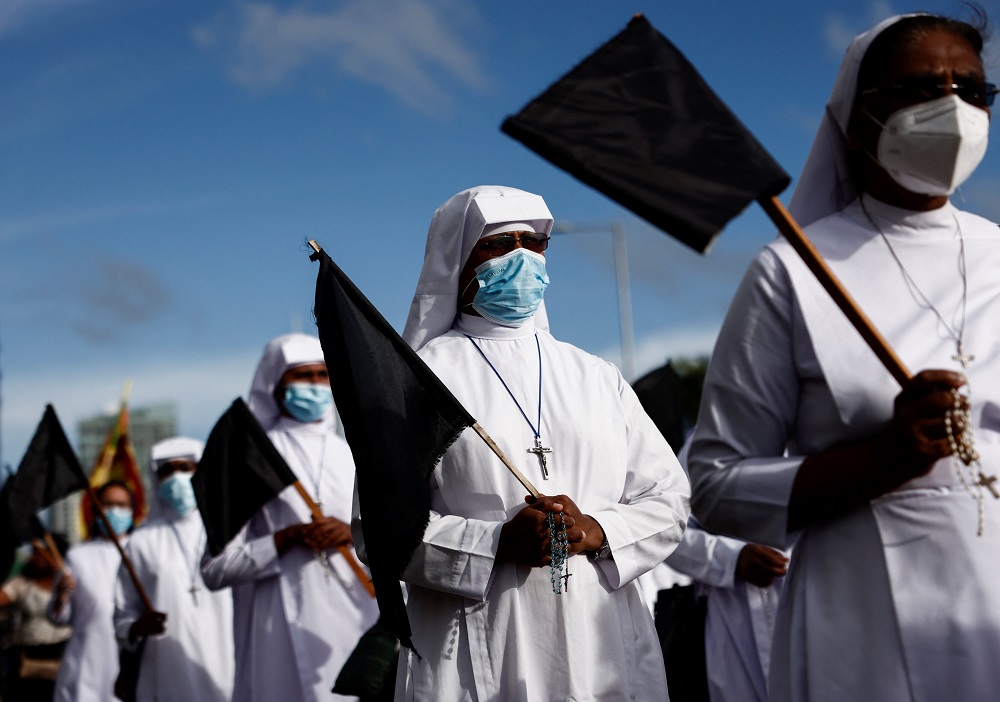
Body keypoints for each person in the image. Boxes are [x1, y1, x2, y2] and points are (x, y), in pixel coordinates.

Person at [687, 10, 1000, 701]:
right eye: (921, 88)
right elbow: (713, 486)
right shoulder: (793, 267)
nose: (952, 107)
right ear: (857, 125)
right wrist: (881, 460)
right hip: (862, 624)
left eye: (972, 90)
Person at [379, 185, 690, 700]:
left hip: (603, 643)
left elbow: (669, 500)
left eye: (534, 244)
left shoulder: (596, 376)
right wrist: (496, 543)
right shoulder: (419, 380)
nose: (521, 257)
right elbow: (378, 529)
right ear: (458, 259)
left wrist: (595, 530)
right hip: (478, 646)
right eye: (499, 245)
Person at [201, 333, 379, 702]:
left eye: (322, 375)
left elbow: (392, 539)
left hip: (359, 613)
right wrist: (285, 538)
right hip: (276, 626)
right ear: (276, 386)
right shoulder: (250, 459)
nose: (315, 385)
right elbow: (215, 570)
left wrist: (351, 534)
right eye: (302, 376)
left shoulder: (354, 452)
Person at [114, 437, 234, 702]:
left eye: (185, 468)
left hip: (229, 662)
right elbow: (122, 616)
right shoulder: (141, 541)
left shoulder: (228, 529)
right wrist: (136, 627)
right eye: (167, 471)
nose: (176, 477)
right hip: (165, 672)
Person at [48, 481, 134, 702]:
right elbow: (60, 617)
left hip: (133, 657)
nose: (114, 511)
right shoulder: (78, 556)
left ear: (133, 510)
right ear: (96, 511)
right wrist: (61, 596)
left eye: (122, 505)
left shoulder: (141, 549)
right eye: (108, 505)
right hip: (87, 661)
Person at [0, 537, 71, 702]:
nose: (33, 558)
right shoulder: (22, 584)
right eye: (34, 553)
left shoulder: (72, 584)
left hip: (63, 660)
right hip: (28, 663)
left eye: (39, 554)